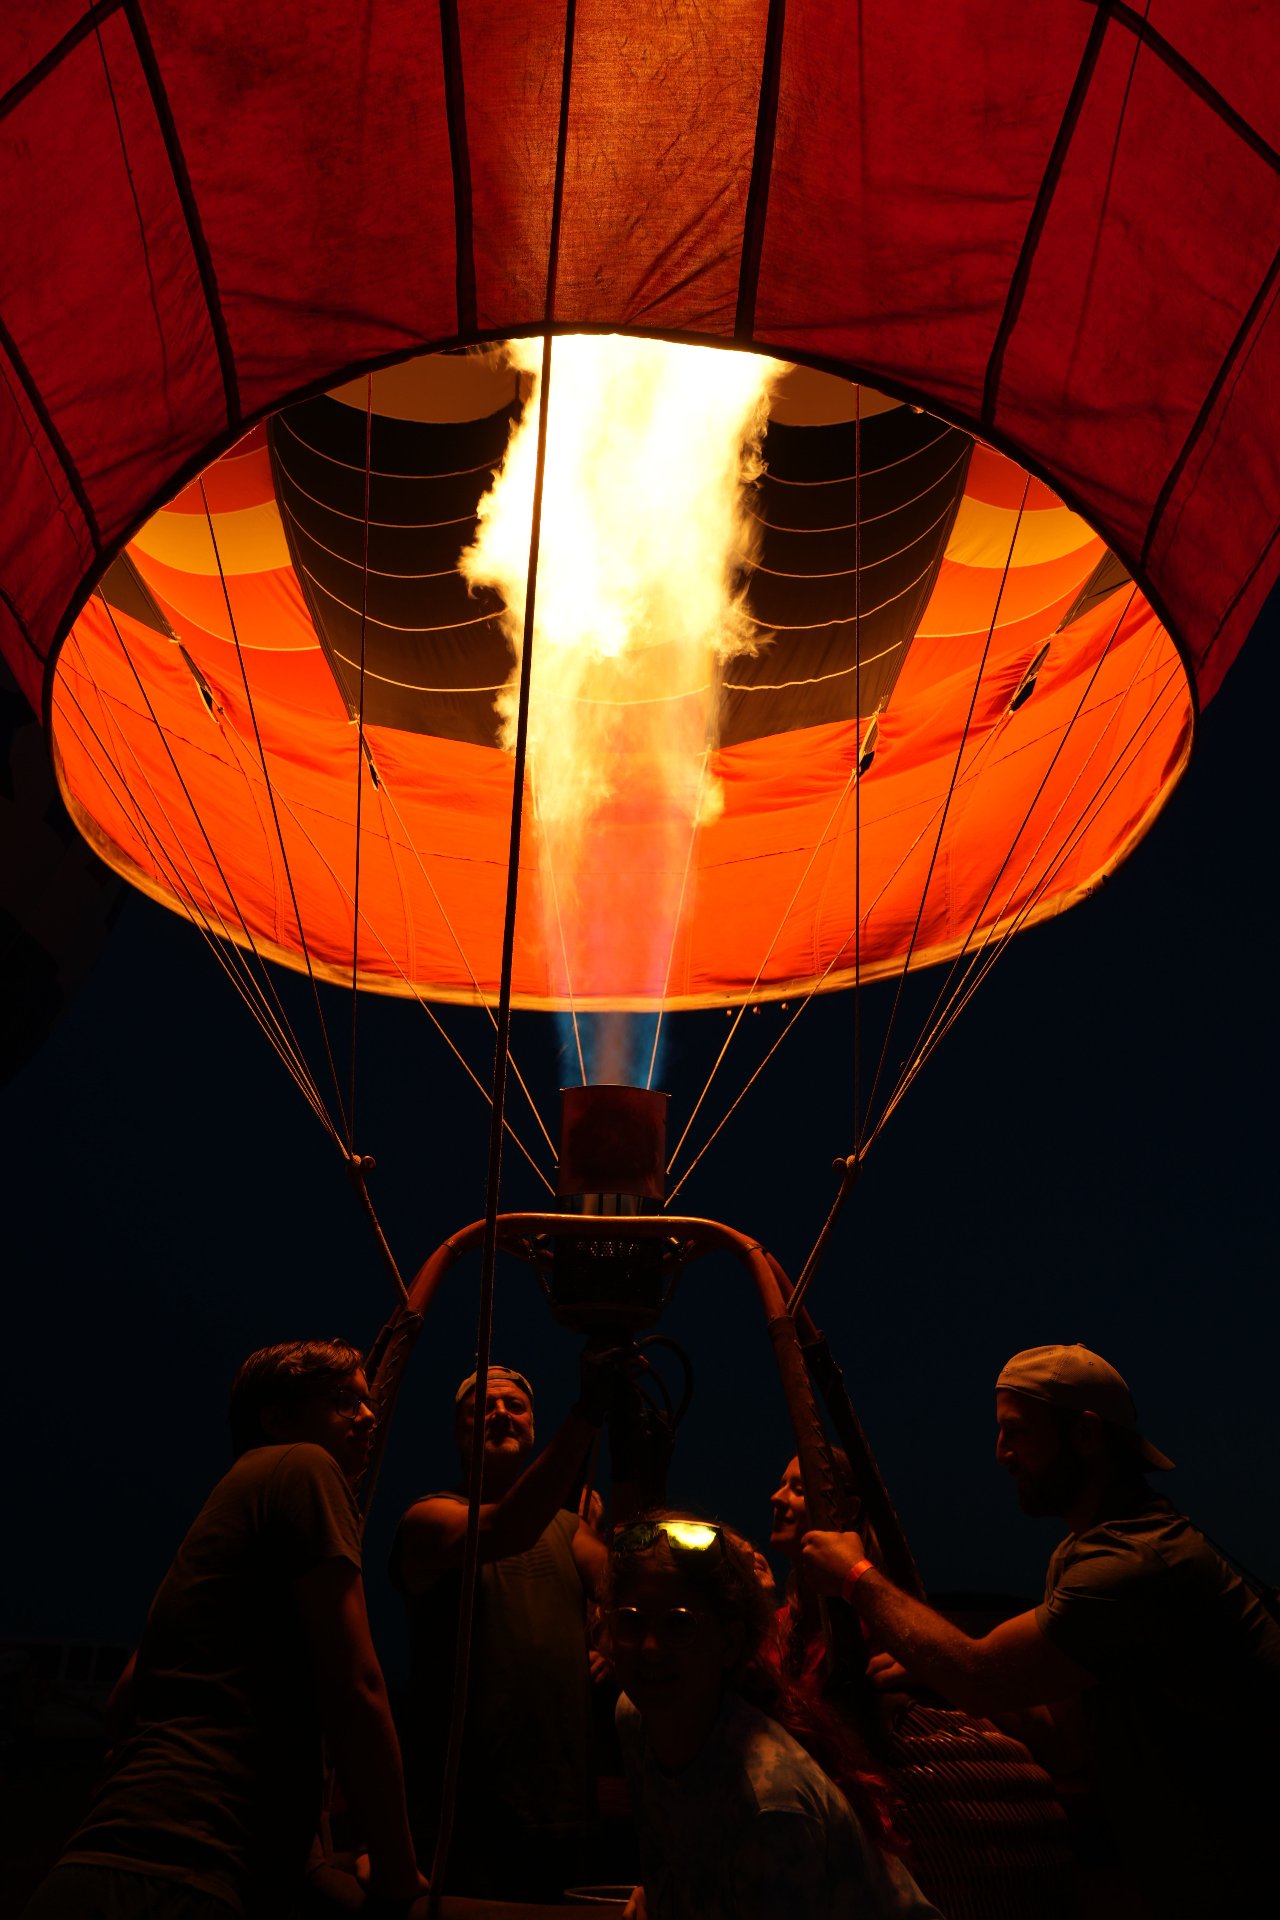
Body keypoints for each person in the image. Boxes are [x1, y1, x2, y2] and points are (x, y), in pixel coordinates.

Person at [802, 1342, 1280, 1916]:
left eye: (1017, 1432)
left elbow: (981, 1677)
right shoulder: (1090, 1553)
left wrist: (855, 1575)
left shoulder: (1132, 1567)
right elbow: (1065, 1738)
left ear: (1084, 1434)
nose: (1001, 1454)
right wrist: (938, 1672)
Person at [22, 1338, 424, 1920]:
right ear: (277, 1418)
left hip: (105, 1859)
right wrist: (396, 1871)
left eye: (368, 1402)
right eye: (342, 1400)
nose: (368, 1415)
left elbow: (123, 1702)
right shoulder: (304, 1464)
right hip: (191, 1869)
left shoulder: (229, 1506)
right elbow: (357, 1688)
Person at [770, 1453, 1073, 1919]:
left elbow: (1023, 1712)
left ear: (847, 1511)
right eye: (781, 1485)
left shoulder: (884, 1625)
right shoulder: (782, 1626)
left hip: (876, 1857)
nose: (777, 1498)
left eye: (798, 1487)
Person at [604, 1513, 940, 1920]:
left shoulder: (770, 1804)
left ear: (729, 1644)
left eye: (679, 1625)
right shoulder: (636, 1718)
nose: (650, 1647)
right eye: (630, 1621)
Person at [390, 1351, 619, 1899]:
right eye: (482, 1407)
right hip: (465, 1819)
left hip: (566, 1810)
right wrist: (588, 1412)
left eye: (514, 1406)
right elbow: (503, 1529)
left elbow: (628, 1590)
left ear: (533, 1427)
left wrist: (609, 1641)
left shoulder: (570, 1529)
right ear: (457, 1432)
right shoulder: (428, 1519)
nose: (499, 1413)